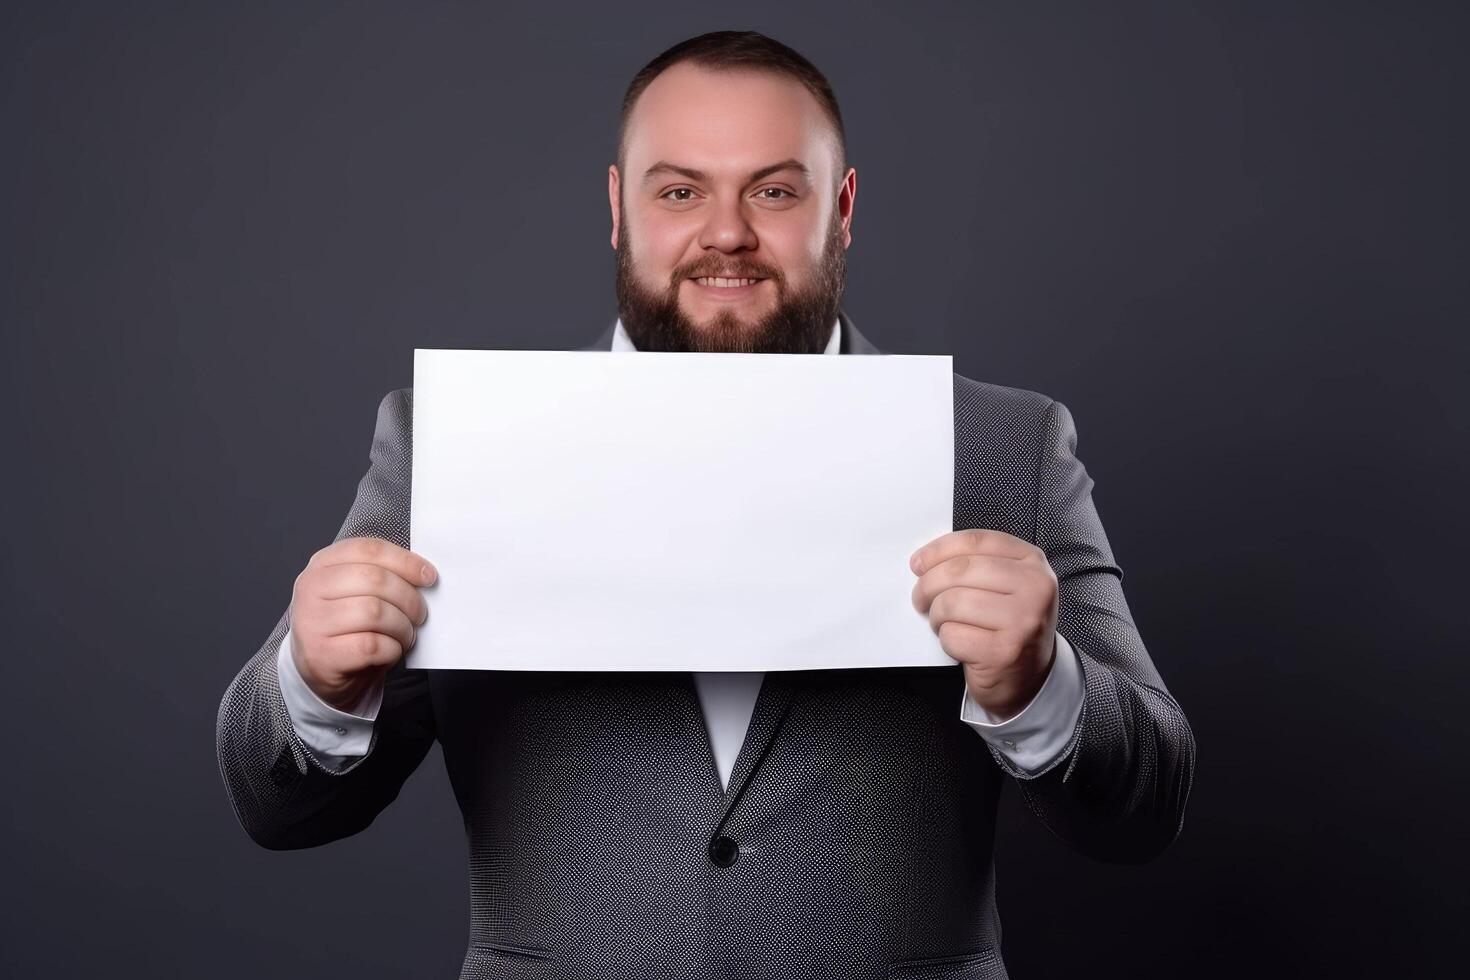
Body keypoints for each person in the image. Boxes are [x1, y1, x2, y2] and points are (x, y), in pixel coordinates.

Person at [216, 30, 1195, 980]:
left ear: (842, 208)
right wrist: (316, 679)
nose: (726, 231)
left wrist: (1041, 680)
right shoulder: (457, 444)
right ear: (618, 207)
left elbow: (1147, 804)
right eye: (680, 190)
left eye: (774, 190)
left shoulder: (1000, 445)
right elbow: (278, 805)